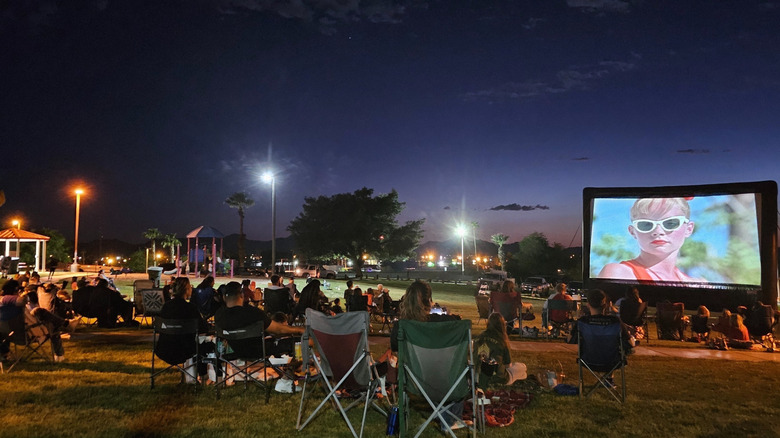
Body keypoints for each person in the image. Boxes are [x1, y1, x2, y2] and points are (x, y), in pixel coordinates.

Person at [389, 281, 466, 431]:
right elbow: (458, 320)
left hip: (415, 383)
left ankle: (441, 414)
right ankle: (449, 420)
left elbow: (395, 352)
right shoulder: (445, 322)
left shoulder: (401, 326)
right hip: (448, 382)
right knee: (464, 368)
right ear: (428, 300)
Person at [598, 197, 703, 282]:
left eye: (670, 223)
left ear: (689, 229)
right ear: (633, 231)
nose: (658, 231)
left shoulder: (695, 283)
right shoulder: (620, 274)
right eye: (646, 224)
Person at [214, 281, 303, 359]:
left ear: (224, 298)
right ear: (242, 295)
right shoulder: (252, 312)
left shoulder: (219, 315)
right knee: (305, 341)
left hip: (235, 351)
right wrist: (299, 330)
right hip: (259, 351)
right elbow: (279, 330)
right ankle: (289, 374)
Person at [155, 277, 213, 379]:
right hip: (186, 349)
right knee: (205, 343)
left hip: (164, 348)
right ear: (186, 290)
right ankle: (203, 376)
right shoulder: (190, 308)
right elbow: (203, 329)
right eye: (190, 287)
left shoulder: (166, 307)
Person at [577, 289, 633, 384]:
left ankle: (608, 378)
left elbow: (570, 339)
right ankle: (609, 377)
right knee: (622, 349)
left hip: (587, 360)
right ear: (605, 305)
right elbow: (630, 342)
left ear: (588, 305)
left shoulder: (582, 322)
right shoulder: (615, 321)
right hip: (613, 362)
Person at [474, 313, 527, 388]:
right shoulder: (502, 340)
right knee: (522, 367)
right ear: (502, 325)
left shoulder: (478, 337)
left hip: (477, 375)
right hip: (497, 377)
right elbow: (508, 364)